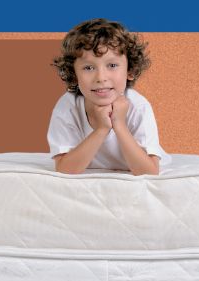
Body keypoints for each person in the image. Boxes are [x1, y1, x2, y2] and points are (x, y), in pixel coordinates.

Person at [48, 18, 168, 175]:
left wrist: (119, 125)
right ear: (74, 74)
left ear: (130, 71)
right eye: (88, 67)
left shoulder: (139, 106)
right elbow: (64, 169)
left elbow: (150, 171)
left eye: (112, 65)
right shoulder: (68, 106)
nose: (101, 77)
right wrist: (102, 129)